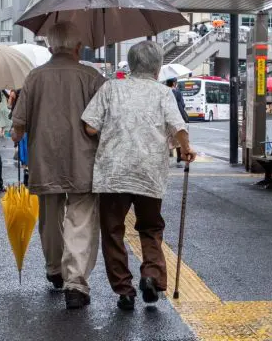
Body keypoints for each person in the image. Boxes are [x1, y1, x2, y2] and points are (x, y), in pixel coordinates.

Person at [82, 41, 197, 311]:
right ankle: (152, 277)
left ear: (131, 66)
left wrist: (111, 134)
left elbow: (89, 127)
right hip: (149, 171)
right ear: (157, 69)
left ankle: (124, 290)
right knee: (150, 227)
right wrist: (186, 148)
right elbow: (178, 126)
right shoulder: (163, 93)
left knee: (112, 231)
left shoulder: (111, 88)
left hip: (113, 172)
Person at [12, 21, 106, 309]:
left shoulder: (34, 77)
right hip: (84, 161)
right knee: (81, 219)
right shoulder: (92, 77)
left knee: (50, 217)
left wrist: (18, 137)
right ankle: (75, 282)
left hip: (45, 160)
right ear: (78, 47)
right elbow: (105, 120)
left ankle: (54, 269)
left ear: (50, 46)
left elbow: (18, 125)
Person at [165, 77, 189, 167]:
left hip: (165, 117)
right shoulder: (177, 92)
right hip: (176, 116)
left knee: (166, 137)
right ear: (174, 83)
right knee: (178, 136)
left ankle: (168, 155)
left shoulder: (164, 91)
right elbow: (182, 105)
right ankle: (179, 156)